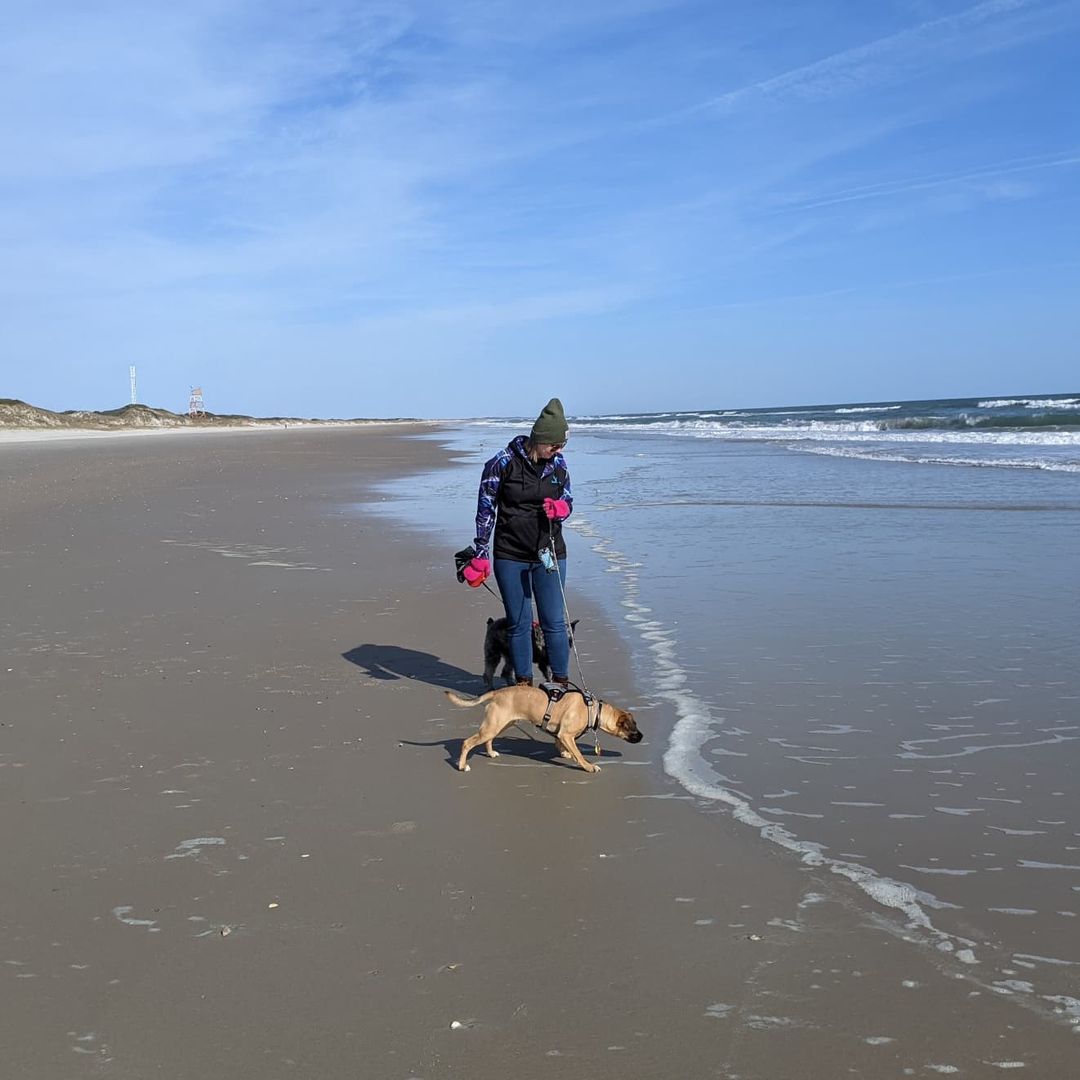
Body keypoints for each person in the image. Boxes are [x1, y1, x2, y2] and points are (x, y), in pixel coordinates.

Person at [462, 398, 573, 687]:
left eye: (561, 446)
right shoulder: (501, 464)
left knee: (554, 623)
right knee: (519, 623)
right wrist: (480, 553)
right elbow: (485, 509)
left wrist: (562, 509)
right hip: (511, 554)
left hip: (549, 553)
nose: (558, 451)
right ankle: (523, 686)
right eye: (554, 445)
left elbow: (568, 499)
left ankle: (559, 686)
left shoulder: (559, 465)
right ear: (539, 439)